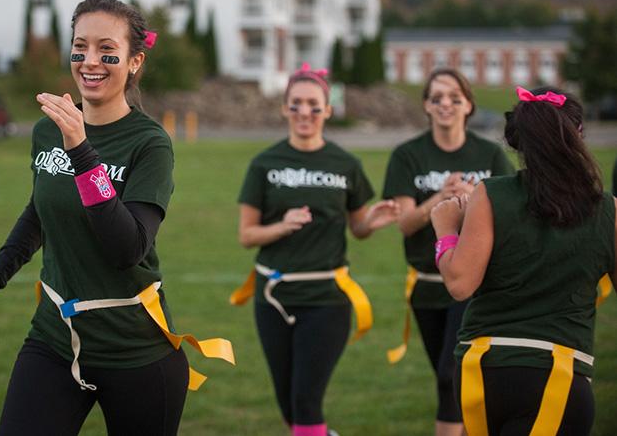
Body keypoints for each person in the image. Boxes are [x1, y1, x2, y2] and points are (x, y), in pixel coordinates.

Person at [0, 0, 232, 436]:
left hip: (136, 349)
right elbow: (40, 212)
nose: (90, 61)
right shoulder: (51, 127)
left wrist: (82, 152)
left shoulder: (150, 143)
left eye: (107, 50)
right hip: (54, 339)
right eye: (80, 47)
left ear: (134, 61)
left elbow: (128, 248)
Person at [431, 86, 615, 435]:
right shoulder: (608, 209)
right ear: (578, 136)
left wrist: (445, 231)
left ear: (517, 142)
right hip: (558, 373)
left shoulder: (491, 193)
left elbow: (459, 283)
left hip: (482, 370)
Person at [230, 63, 400, 436]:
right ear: (284, 109)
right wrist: (282, 226)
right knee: (289, 404)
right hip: (272, 298)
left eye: (312, 104)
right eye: (295, 104)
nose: (304, 112)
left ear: (327, 109)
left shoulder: (346, 165)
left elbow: (358, 229)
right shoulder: (265, 164)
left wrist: (374, 220)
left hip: (326, 297)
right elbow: (247, 235)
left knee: (307, 402)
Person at [382, 68, 514, 436]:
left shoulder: (489, 153)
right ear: (425, 104)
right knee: (451, 380)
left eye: (455, 97)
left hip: (473, 283)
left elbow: (509, 219)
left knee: (450, 374)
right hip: (425, 285)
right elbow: (405, 223)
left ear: (469, 104)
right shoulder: (407, 155)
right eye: (436, 97)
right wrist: (439, 199)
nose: (445, 104)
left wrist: (476, 202)